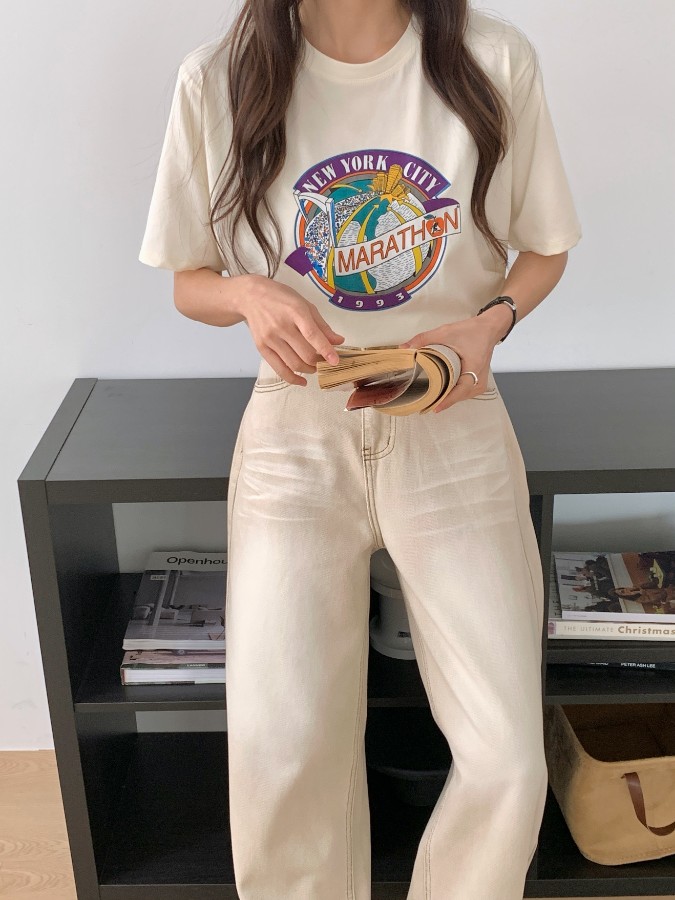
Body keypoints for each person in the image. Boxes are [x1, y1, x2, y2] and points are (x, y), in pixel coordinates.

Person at [138, 0, 583, 896]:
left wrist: (487, 324)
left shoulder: (491, 60)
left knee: (506, 754)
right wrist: (249, 295)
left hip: (451, 413)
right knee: (283, 747)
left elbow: (544, 249)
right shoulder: (217, 78)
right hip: (297, 424)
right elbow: (189, 279)